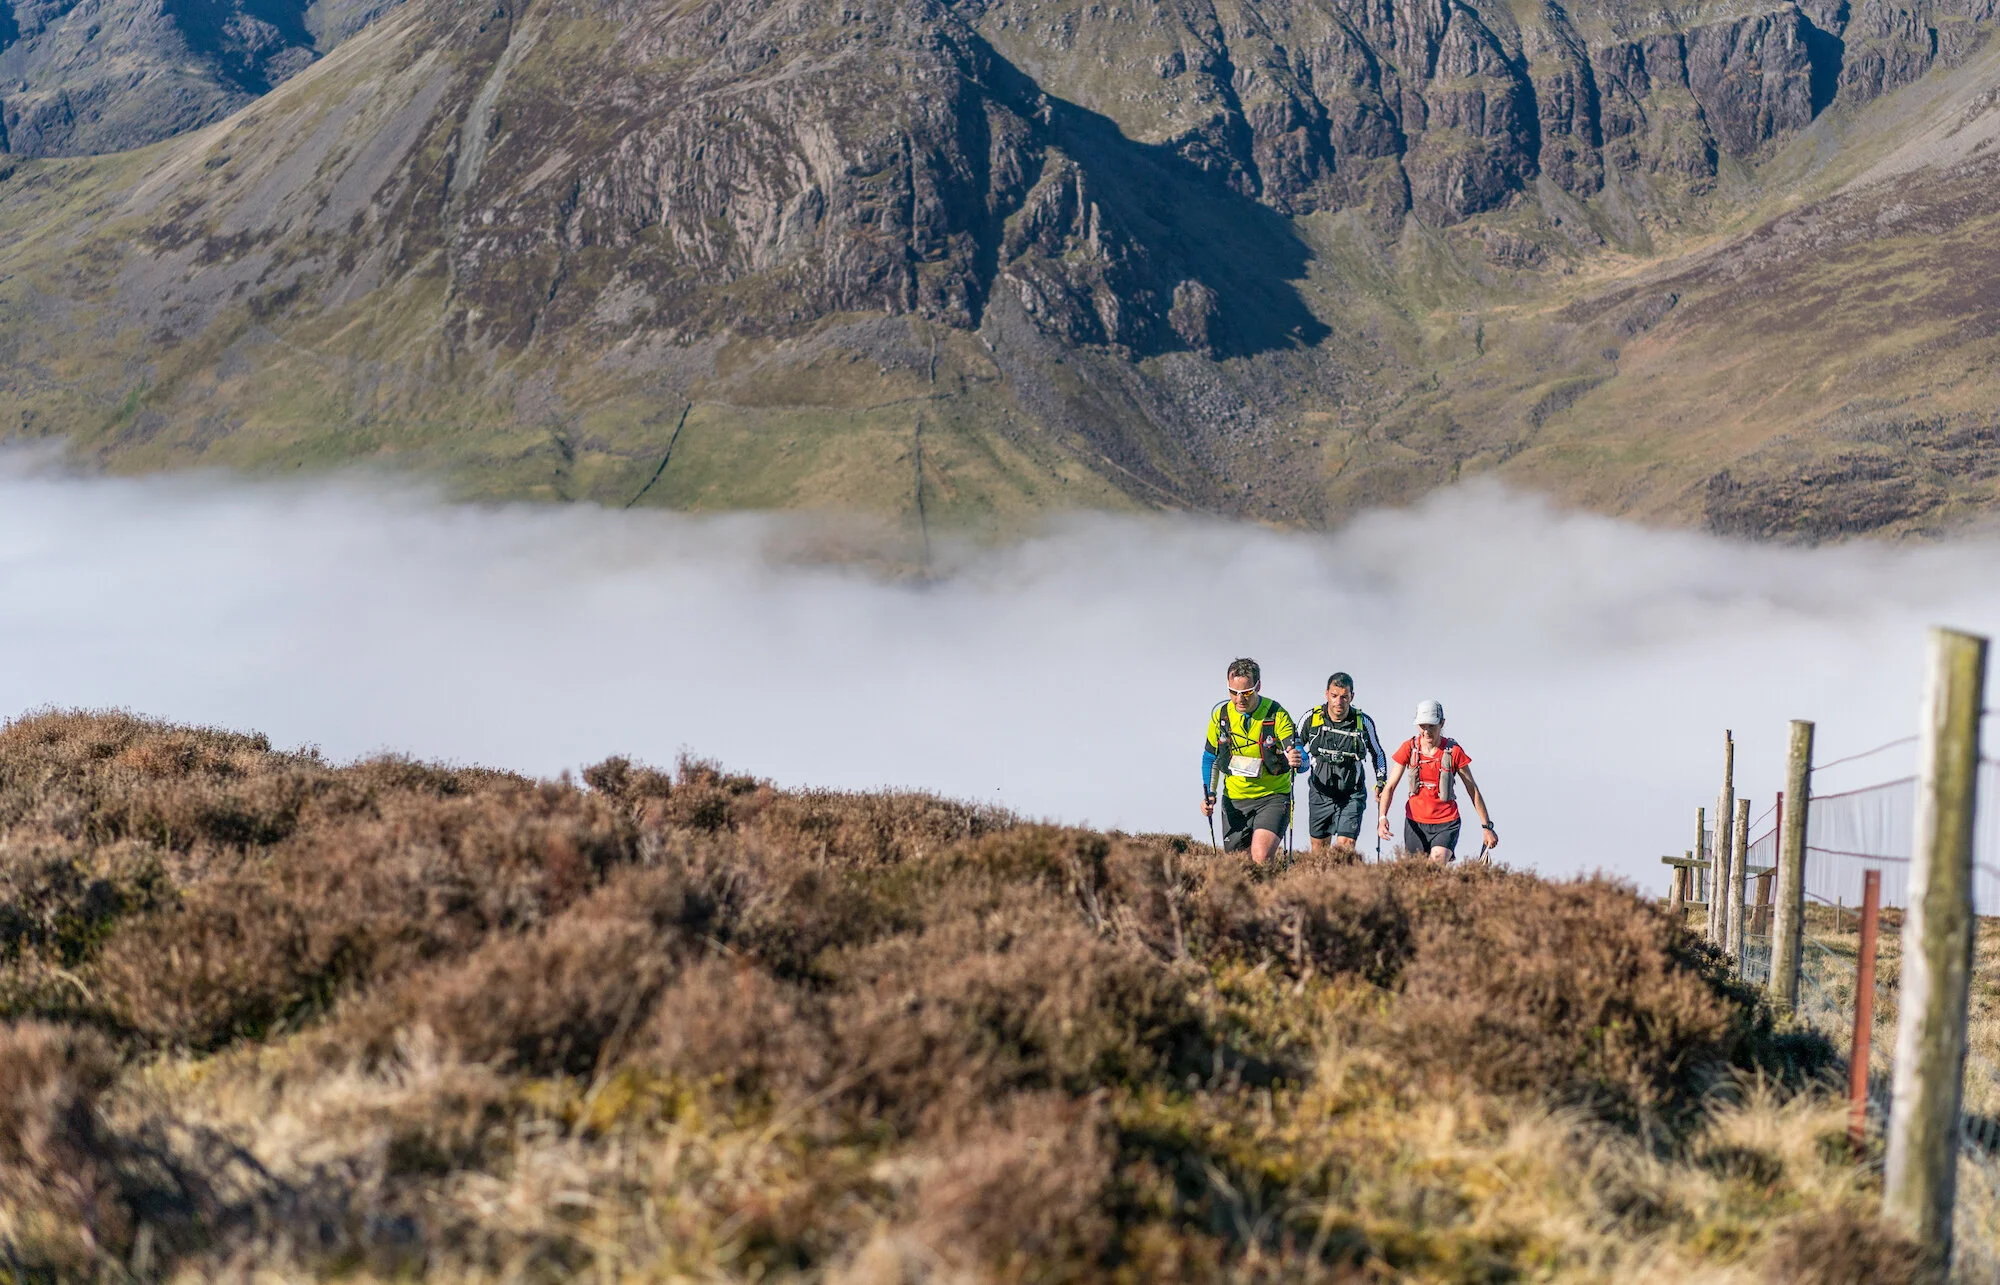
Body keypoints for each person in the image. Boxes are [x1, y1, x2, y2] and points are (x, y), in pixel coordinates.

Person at [1200, 657, 1302, 866]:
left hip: (1272, 797)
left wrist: (1296, 757)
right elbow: (1211, 758)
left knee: (1261, 857)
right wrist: (1210, 794)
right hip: (1235, 800)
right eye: (1233, 692)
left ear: (1258, 686)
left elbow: (1297, 751)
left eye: (1246, 693)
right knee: (1239, 867)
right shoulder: (1220, 717)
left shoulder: (1276, 714)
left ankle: (1271, 897)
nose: (1239, 699)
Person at [1376, 699, 1497, 862]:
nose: (1426, 731)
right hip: (1415, 823)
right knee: (1416, 873)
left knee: (1437, 862)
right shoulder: (1409, 748)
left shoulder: (1454, 751)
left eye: (1431, 726)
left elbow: (1472, 789)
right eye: (1422, 726)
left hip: (1446, 822)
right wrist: (1382, 818)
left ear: (1442, 723)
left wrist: (1486, 827)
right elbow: (1389, 787)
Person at [1297, 671, 1386, 862]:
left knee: (1344, 847)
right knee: (1318, 853)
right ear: (1326, 694)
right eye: (1334, 696)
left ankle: (1340, 887)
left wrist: (1381, 781)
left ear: (1351, 697)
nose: (1339, 701)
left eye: (1344, 697)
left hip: (1351, 794)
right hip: (1320, 792)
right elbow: (1294, 743)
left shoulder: (1363, 722)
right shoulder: (1311, 718)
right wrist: (1295, 761)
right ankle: (1321, 889)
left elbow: (1378, 753)